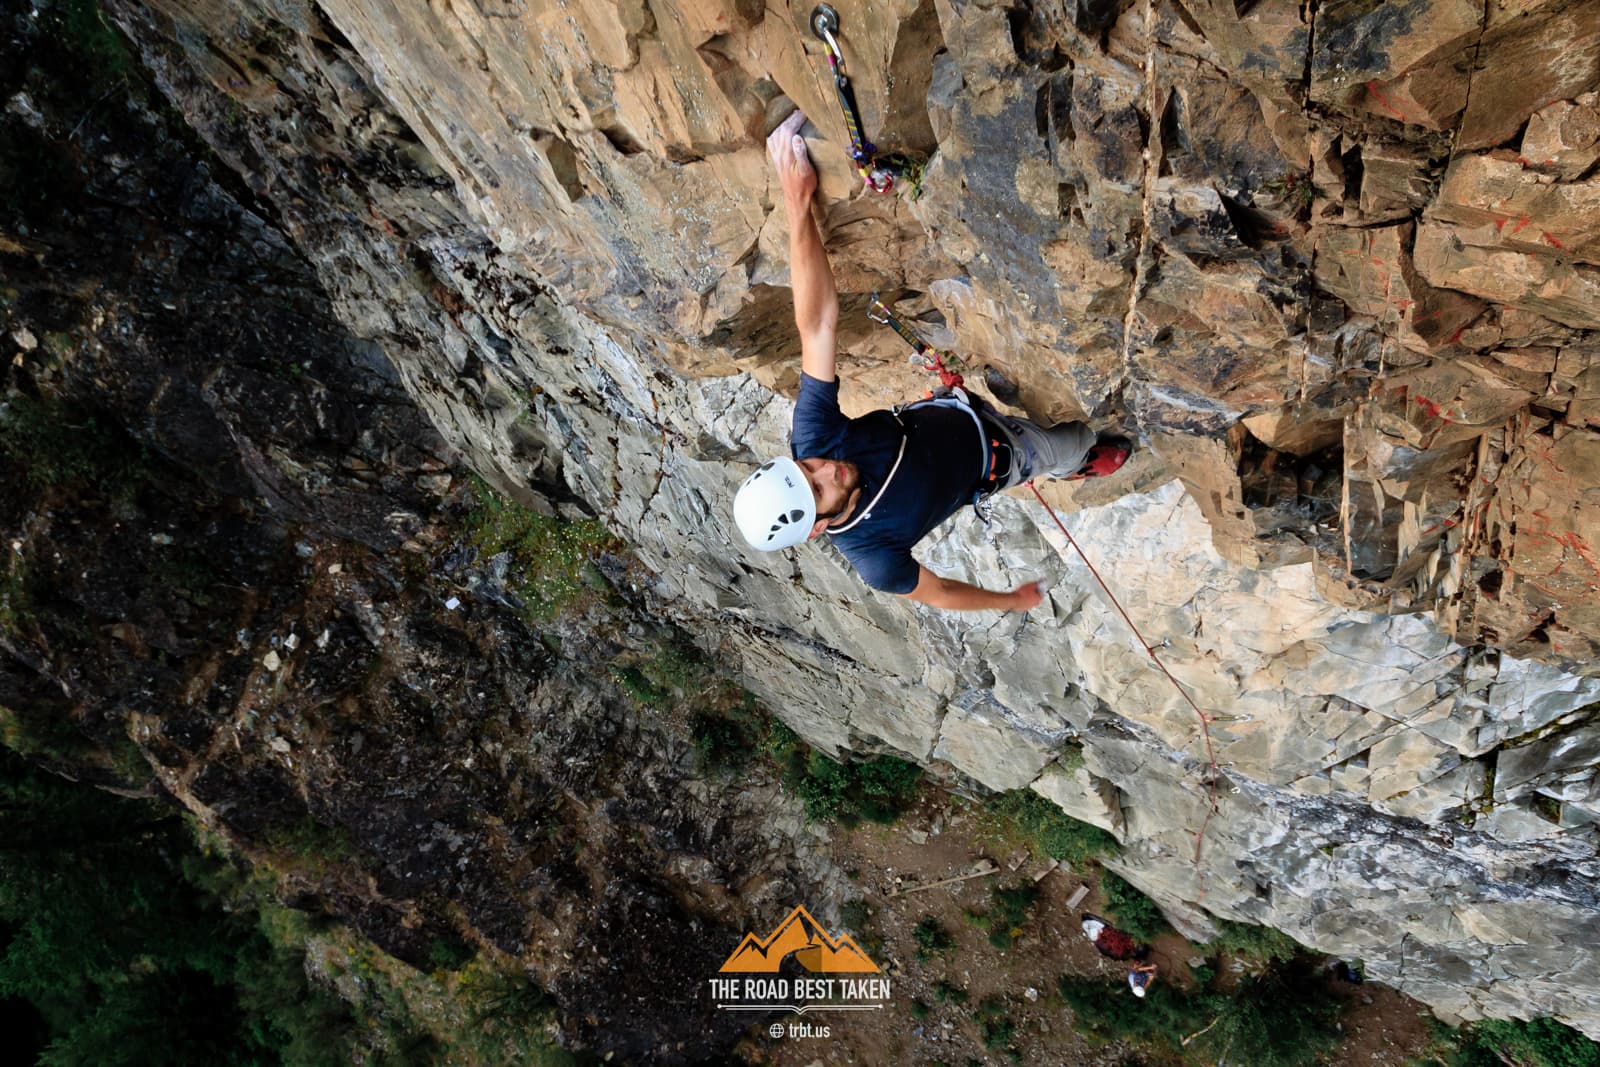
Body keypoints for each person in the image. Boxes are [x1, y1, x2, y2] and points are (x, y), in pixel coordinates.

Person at [731, 109, 1131, 612]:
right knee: (1076, 439)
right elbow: (938, 591)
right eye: (817, 488)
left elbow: (816, 325)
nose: (827, 469)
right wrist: (1007, 600)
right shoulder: (873, 555)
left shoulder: (814, 437)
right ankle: (1077, 465)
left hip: (949, 411)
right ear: (817, 528)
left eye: (804, 468)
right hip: (999, 455)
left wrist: (796, 201)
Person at [1080, 912, 1148, 962]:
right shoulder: (1125, 950)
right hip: (1111, 943)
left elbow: (1112, 943)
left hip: (1107, 940)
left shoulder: (1100, 936)